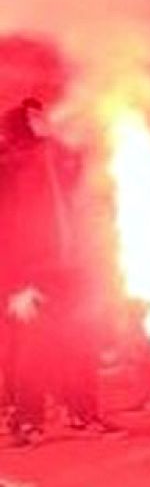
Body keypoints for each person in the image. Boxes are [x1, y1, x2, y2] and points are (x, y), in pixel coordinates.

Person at [0, 99, 114, 444]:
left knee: (79, 341)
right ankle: (27, 421)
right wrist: (16, 281)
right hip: (31, 270)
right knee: (33, 349)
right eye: (34, 116)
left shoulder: (57, 158)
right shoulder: (9, 166)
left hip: (70, 265)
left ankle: (83, 413)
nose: (44, 120)